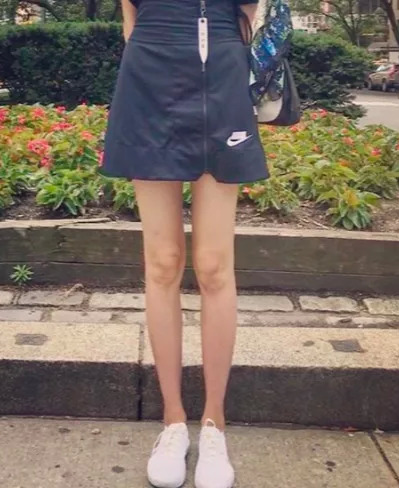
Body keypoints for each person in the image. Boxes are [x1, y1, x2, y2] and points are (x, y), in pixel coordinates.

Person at [101, 0, 269, 487]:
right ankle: (173, 421)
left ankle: (215, 422)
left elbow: (252, 15)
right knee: (162, 262)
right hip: (148, 74)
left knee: (214, 265)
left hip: (223, 73)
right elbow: (130, 21)